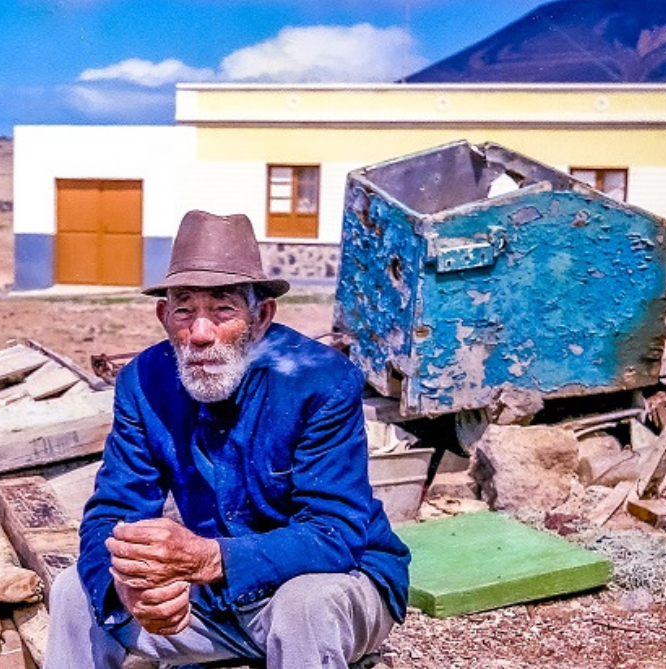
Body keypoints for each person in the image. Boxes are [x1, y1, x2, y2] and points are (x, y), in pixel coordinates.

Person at [45, 210, 410, 669]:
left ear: (261, 316)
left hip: (332, 584)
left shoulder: (321, 381)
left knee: (306, 605)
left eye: (222, 310)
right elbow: (115, 509)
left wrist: (208, 560)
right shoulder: (144, 382)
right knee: (77, 592)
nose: (200, 334)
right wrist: (129, 586)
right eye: (184, 310)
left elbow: (335, 534)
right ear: (164, 316)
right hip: (214, 602)